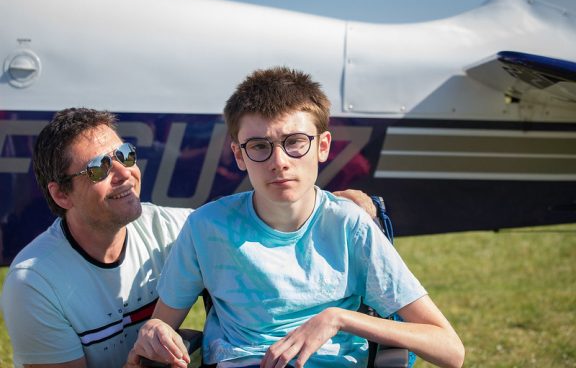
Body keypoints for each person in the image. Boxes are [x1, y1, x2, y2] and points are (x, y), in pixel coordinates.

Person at [129, 67, 465, 368]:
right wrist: (154, 334)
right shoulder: (206, 227)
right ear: (238, 155)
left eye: (295, 142)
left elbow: (449, 349)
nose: (279, 162)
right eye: (259, 146)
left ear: (323, 146)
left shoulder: (349, 226)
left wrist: (338, 319)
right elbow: (162, 325)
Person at [0, 107, 376, 368]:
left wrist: (343, 202)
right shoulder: (35, 282)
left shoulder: (173, 228)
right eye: (99, 167)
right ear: (61, 194)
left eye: (125, 156)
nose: (124, 173)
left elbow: (255, 215)